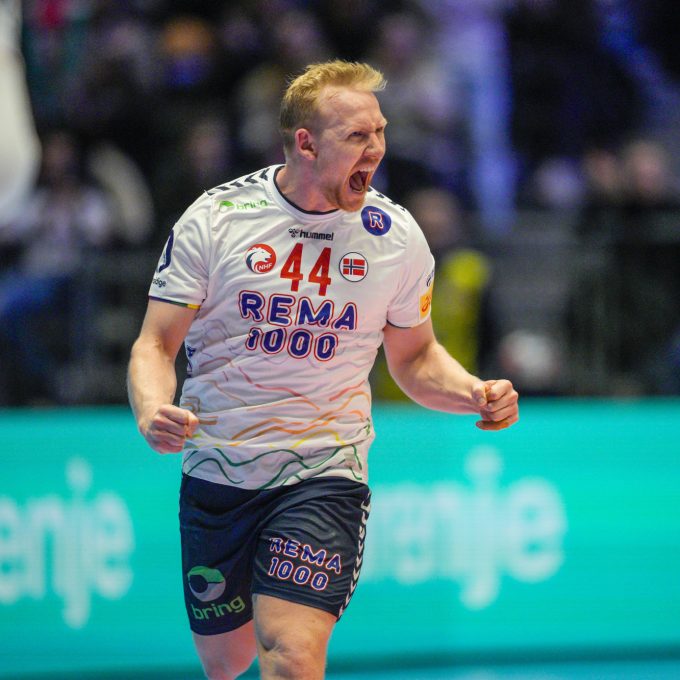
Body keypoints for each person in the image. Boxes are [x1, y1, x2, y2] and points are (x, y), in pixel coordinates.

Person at [127, 60, 519, 680]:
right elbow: (155, 343)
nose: (377, 149)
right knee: (226, 660)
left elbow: (415, 357)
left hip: (323, 471)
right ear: (306, 143)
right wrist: (152, 409)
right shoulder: (217, 218)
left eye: (380, 132)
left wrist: (474, 390)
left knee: (291, 650)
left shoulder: (394, 236)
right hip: (219, 470)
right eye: (357, 136)